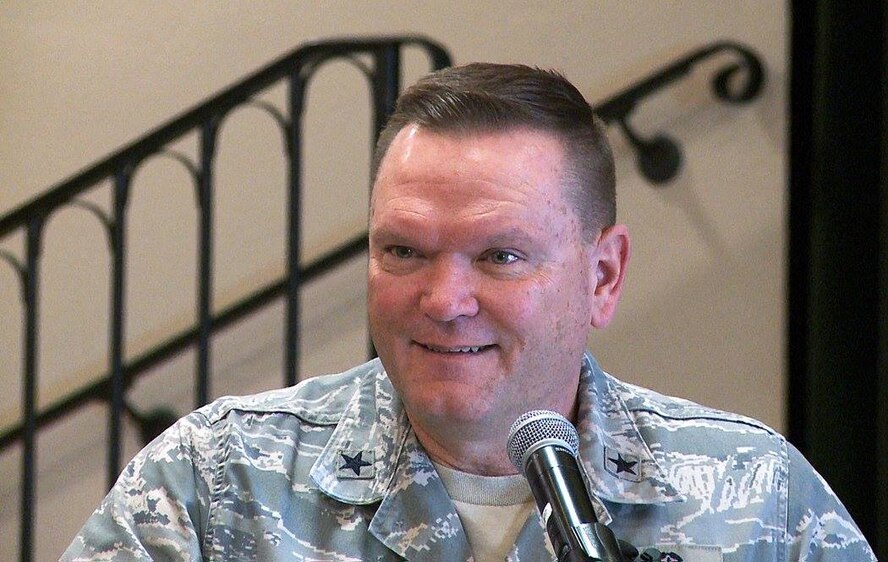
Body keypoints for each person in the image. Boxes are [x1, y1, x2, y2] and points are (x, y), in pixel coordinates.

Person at [62, 63, 875, 562]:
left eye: (500, 257)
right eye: (404, 252)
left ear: (603, 274)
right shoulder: (217, 479)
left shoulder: (753, 495)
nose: (444, 303)